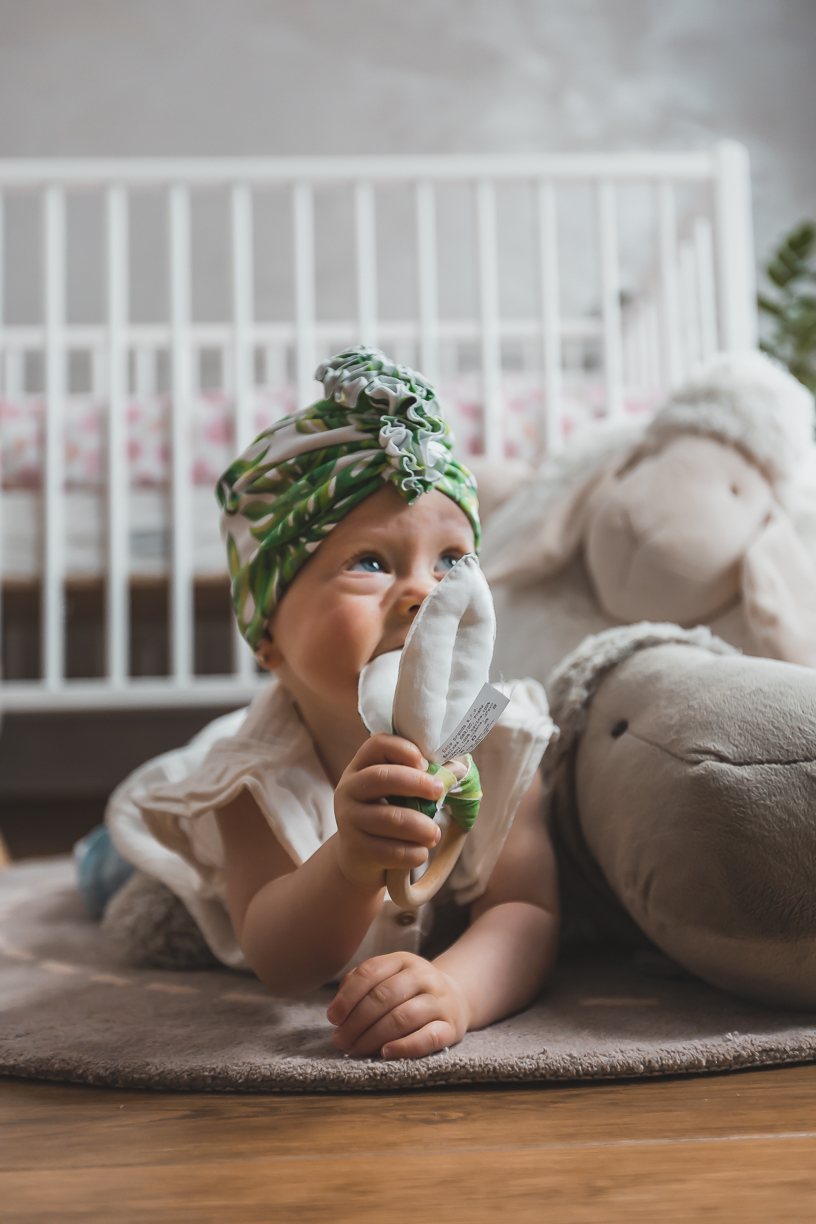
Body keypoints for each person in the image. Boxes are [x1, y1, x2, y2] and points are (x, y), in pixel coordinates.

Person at [99, 347, 558, 1060]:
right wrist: (347, 862)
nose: (423, 592)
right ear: (268, 636)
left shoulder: (492, 731)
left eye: (451, 561)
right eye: (371, 562)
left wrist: (456, 989)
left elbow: (525, 908)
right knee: (122, 883)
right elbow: (281, 963)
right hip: (185, 791)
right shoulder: (249, 779)